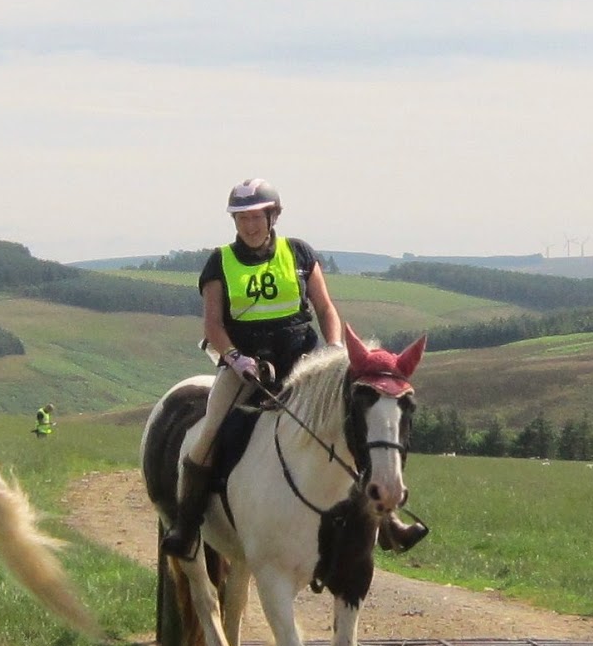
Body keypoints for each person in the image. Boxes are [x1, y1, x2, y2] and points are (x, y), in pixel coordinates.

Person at [159, 177, 428, 560]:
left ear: (273, 216)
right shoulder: (219, 262)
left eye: (257, 217)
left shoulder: (299, 253)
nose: (249, 226)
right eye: (241, 218)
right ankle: (186, 526)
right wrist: (235, 358)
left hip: (305, 361)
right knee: (208, 436)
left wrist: (333, 349)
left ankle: (388, 523)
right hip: (248, 367)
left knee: (356, 430)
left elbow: (325, 308)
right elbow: (213, 326)